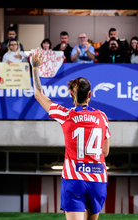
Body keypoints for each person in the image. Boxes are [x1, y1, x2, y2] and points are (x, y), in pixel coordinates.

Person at [31, 49, 110, 220]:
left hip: (74, 179)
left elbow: (38, 95)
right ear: (90, 95)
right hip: (98, 178)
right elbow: (105, 152)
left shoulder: (66, 115)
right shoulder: (102, 117)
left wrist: (35, 68)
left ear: (71, 95)